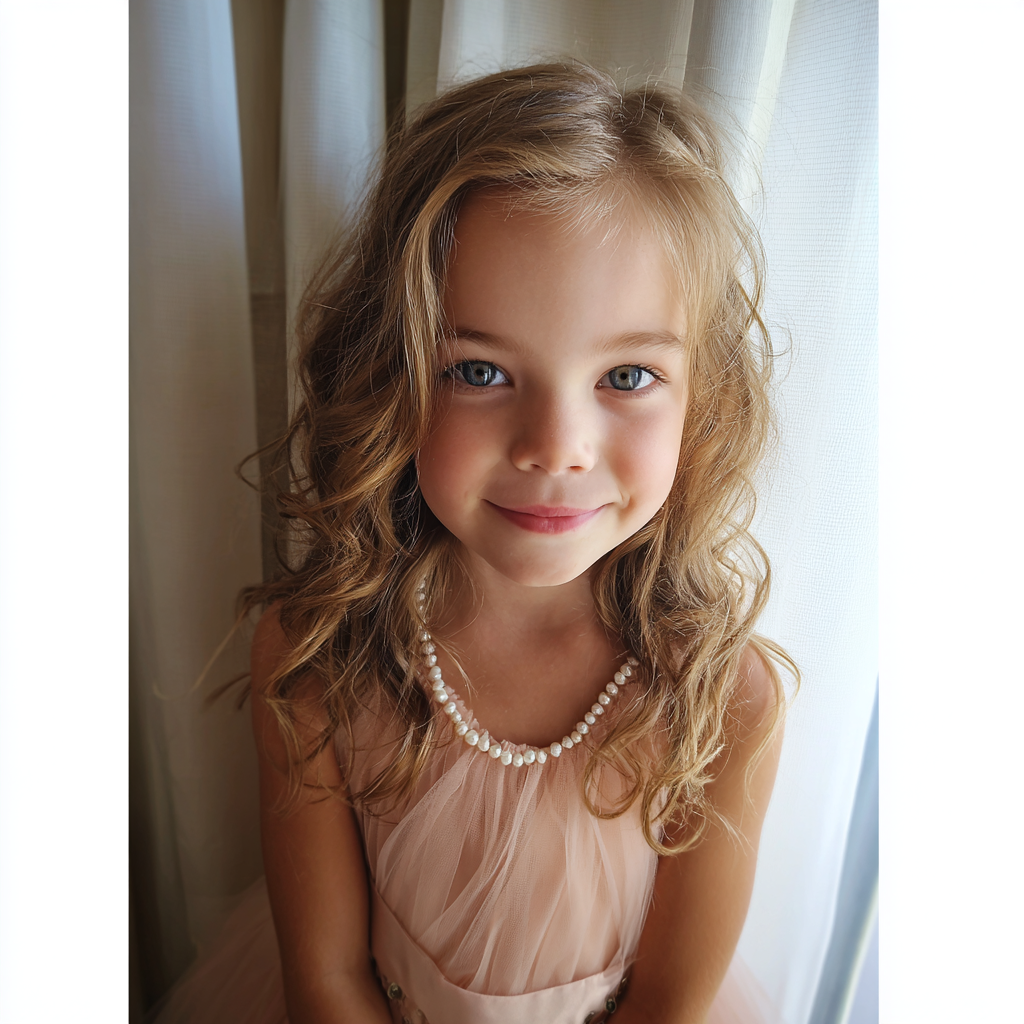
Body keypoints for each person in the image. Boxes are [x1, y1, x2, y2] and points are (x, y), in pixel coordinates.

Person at [153, 61, 796, 1024]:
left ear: (703, 400)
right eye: (480, 370)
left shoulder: (724, 698)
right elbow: (326, 981)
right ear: (391, 375)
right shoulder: (316, 658)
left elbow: (670, 1003)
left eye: (626, 377)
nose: (555, 447)